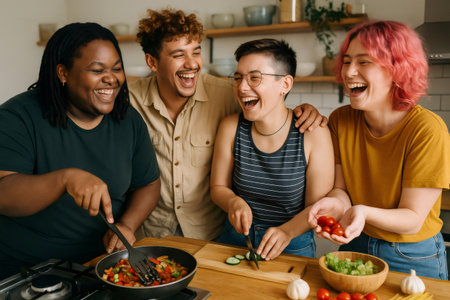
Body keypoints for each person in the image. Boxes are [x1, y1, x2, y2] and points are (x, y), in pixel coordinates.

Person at [130, 8, 328, 241]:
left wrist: (305, 110)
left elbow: (270, 105)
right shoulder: (129, 101)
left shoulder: (226, 95)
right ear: (152, 62)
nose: (192, 64)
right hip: (152, 233)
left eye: (196, 52)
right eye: (178, 55)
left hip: (209, 236)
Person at [0, 22, 161, 280]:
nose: (111, 78)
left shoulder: (128, 120)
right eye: (97, 70)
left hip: (101, 266)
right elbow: (3, 194)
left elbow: (148, 183)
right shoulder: (17, 117)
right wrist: (66, 179)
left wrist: (127, 225)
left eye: (117, 69)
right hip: (25, 271)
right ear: (63, 73)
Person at [307, 20, 449, 279]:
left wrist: (361, 212)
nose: (348, 72)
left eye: (364, 62)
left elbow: (413, 217)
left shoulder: (427, 129)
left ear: (397, 69)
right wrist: (335, 205)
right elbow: (341, 190)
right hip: (358, 242)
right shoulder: (342, 120)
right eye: (347, 61)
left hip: (412, 254)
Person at [211, 39, 334, 260]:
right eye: (238, 78)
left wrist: (287, 231)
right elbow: (218, 187)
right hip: (236, 240)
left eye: (254, 78)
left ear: (285, 84)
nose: (242, 87)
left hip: (292, 245)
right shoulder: (231, 127)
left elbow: (317, 207)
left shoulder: (313, 133)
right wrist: (233, 202)